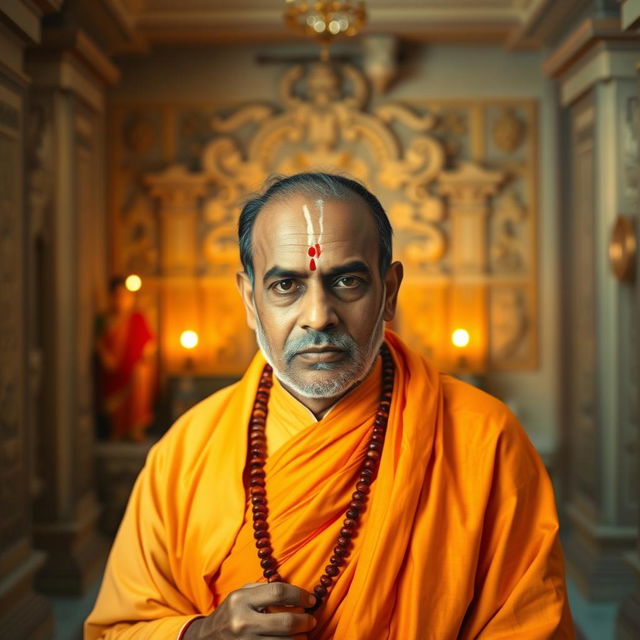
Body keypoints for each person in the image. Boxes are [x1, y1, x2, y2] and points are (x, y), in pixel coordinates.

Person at [85, 173, 574, 639]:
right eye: (285, 286)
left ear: (389, 292)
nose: (318, 315)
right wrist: (199, 634)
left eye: (347, 282)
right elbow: (115, 629)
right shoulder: (186, 451)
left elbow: (530, 626)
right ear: (249, 299)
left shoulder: (484, 439)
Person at [95, 276, 156, 443]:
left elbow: (148, 343)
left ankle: (135, 430)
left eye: (126, 296)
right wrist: (104, 356)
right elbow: (98, 342)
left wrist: (146, 356)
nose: (122, 301)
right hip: (113, 371)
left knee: (141, 377)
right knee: (113, 404)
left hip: (133, 371)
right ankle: (116, 431)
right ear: (111, 297)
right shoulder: (104, 320)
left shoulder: (137, 318)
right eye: (118, 296)